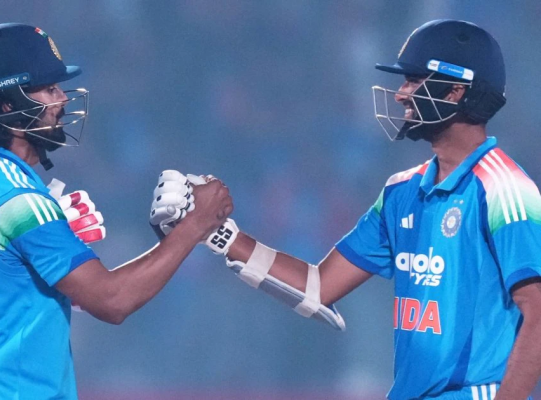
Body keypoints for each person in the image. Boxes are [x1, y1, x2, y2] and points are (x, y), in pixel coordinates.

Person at [152, 20, 541, 399]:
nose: (401, 94)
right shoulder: (401, 192)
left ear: (455, 91)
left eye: (414, 81)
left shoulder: (506, 191)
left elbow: (538, 315)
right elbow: (319, 287)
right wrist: (218, 233)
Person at [0, 23, 233, 399]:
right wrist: (194, 225)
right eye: (48, 88)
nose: (62, 98)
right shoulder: (18, 200)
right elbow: (112, 301)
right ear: (7, 105)